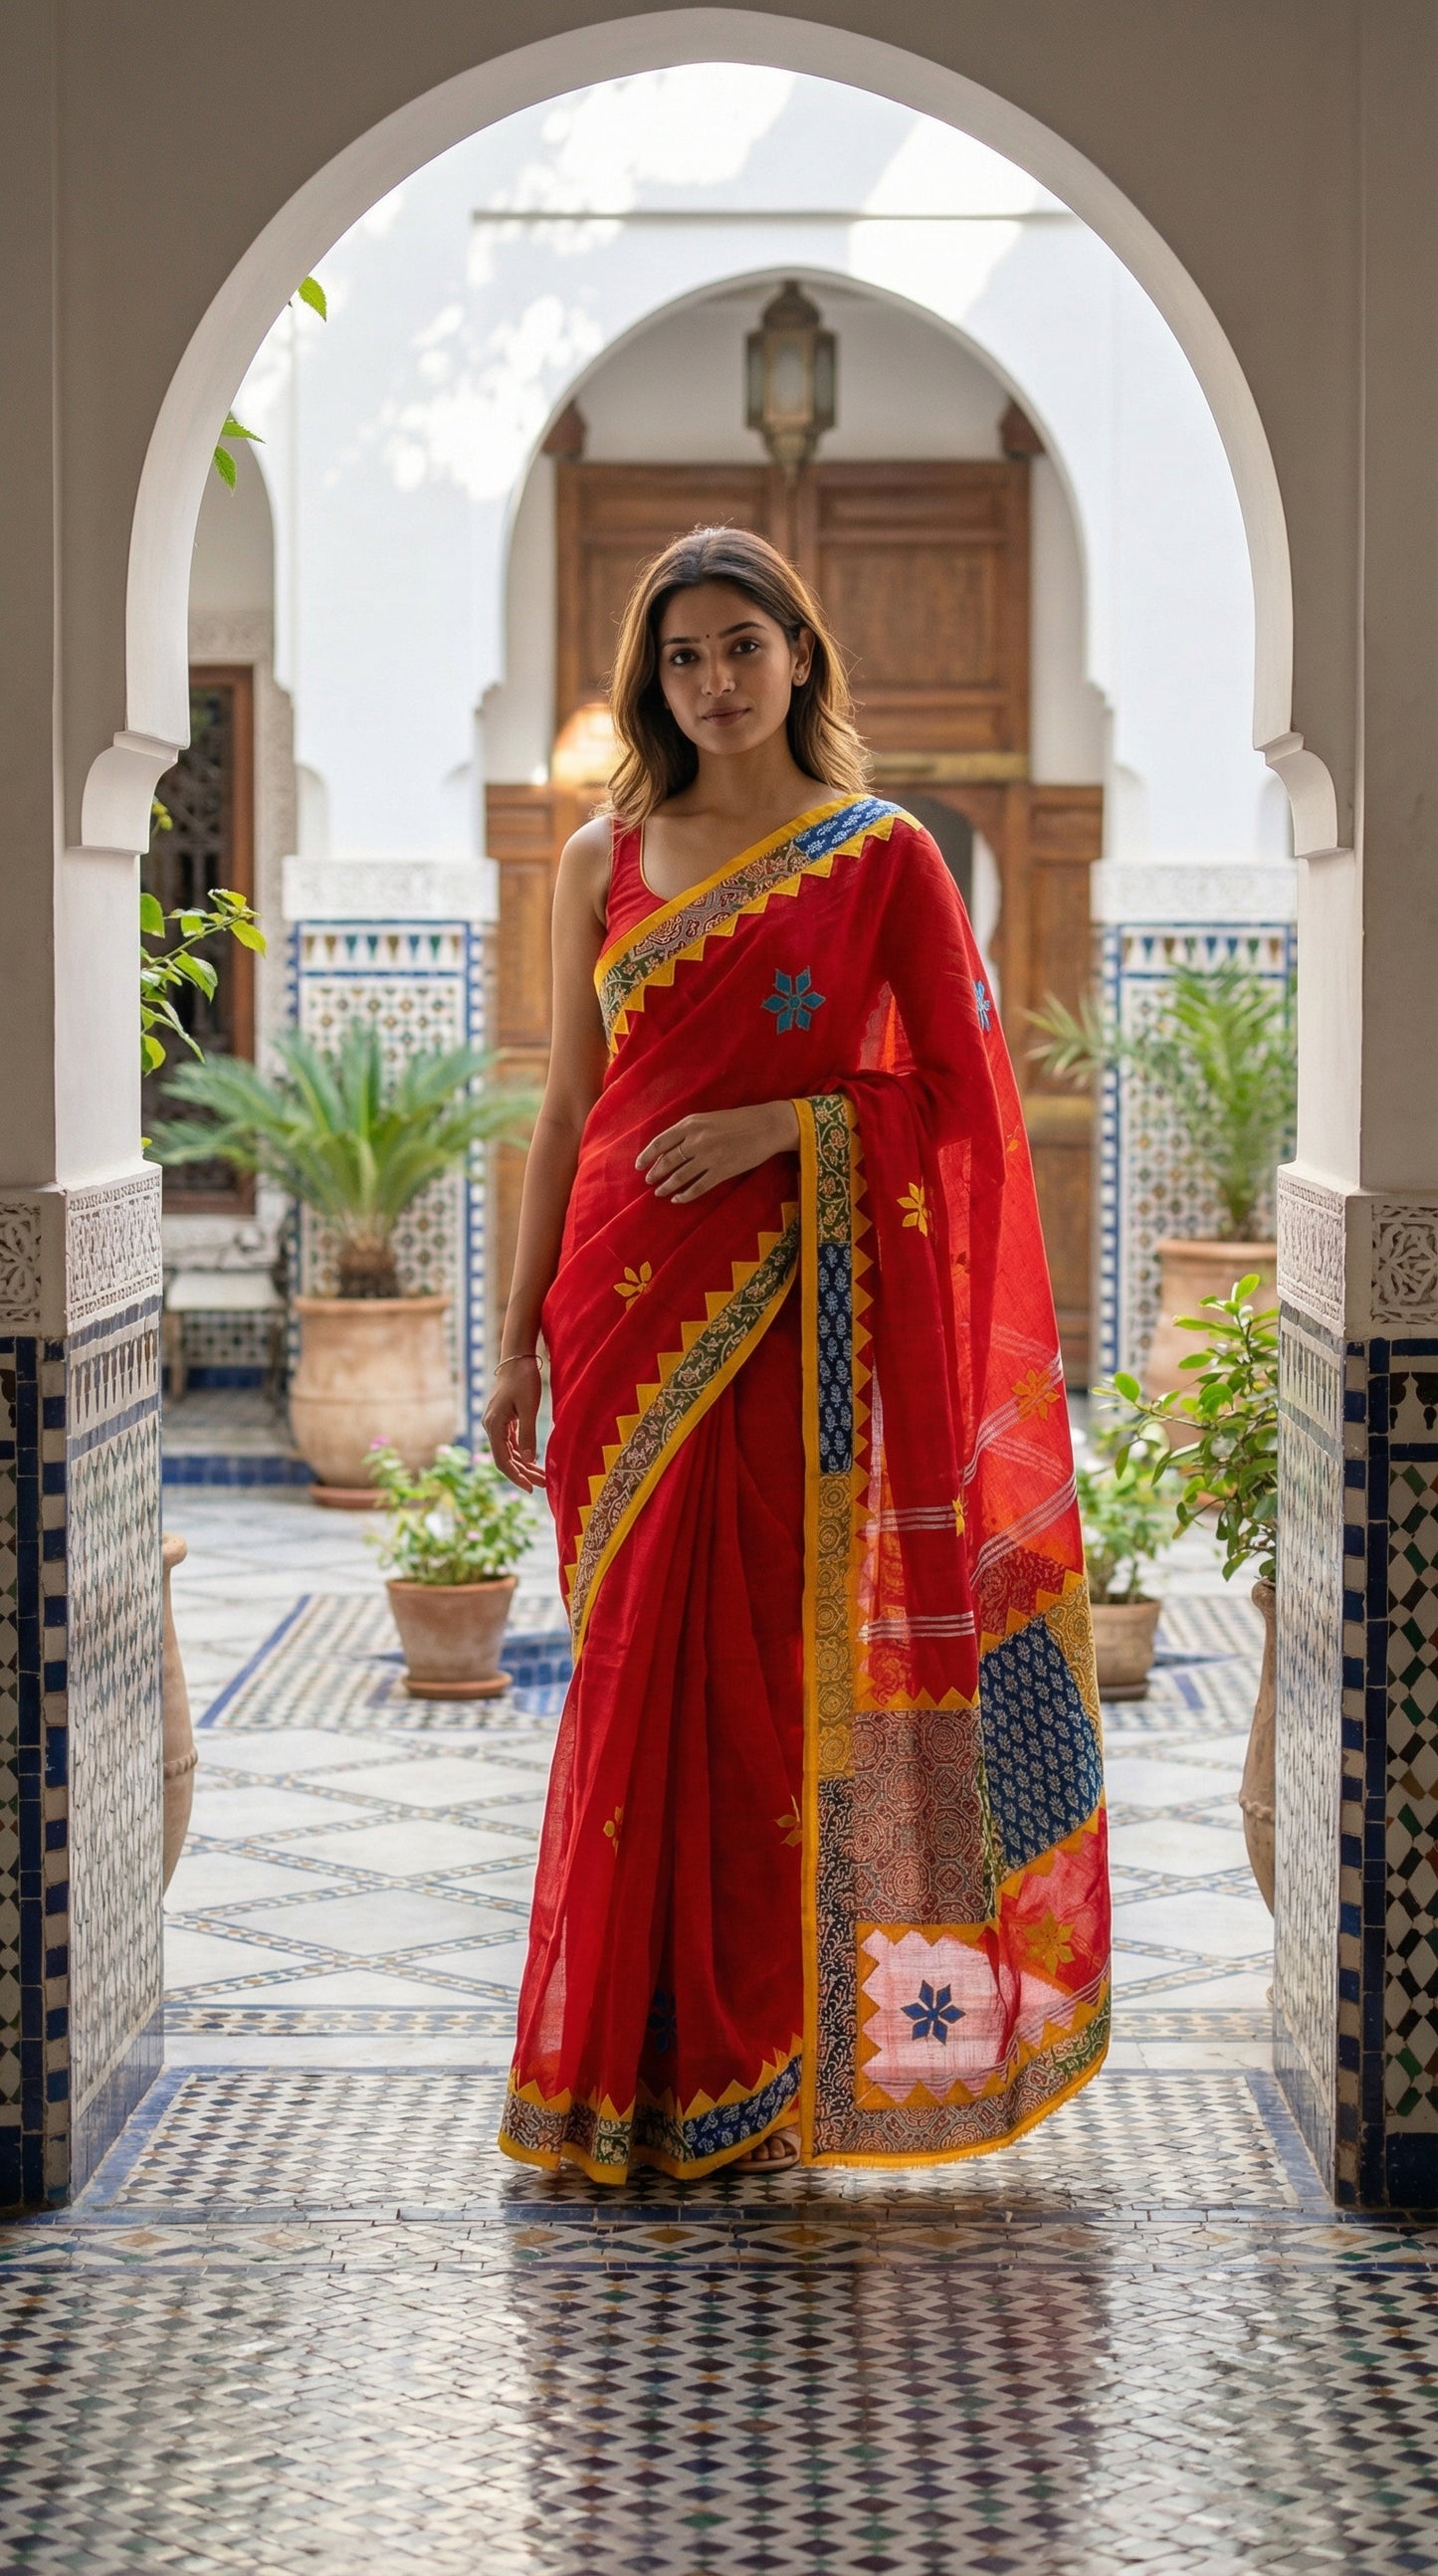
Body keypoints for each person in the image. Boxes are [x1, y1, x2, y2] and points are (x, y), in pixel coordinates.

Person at [487, 524, 1110, 2183]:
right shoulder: (599, 857)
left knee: (765, 1683)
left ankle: (759, 2068)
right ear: (652, 678)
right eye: (682, 657)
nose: (713, 683)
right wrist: (510, 1339)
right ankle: (626, 2063)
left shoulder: (880, 854)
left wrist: (788, 1125)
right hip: (617, 1316)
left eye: (740, 649)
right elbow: (564, 1110)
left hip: (786, 1321)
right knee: (629, 1682)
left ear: (800, 655)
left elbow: (955, 1105)